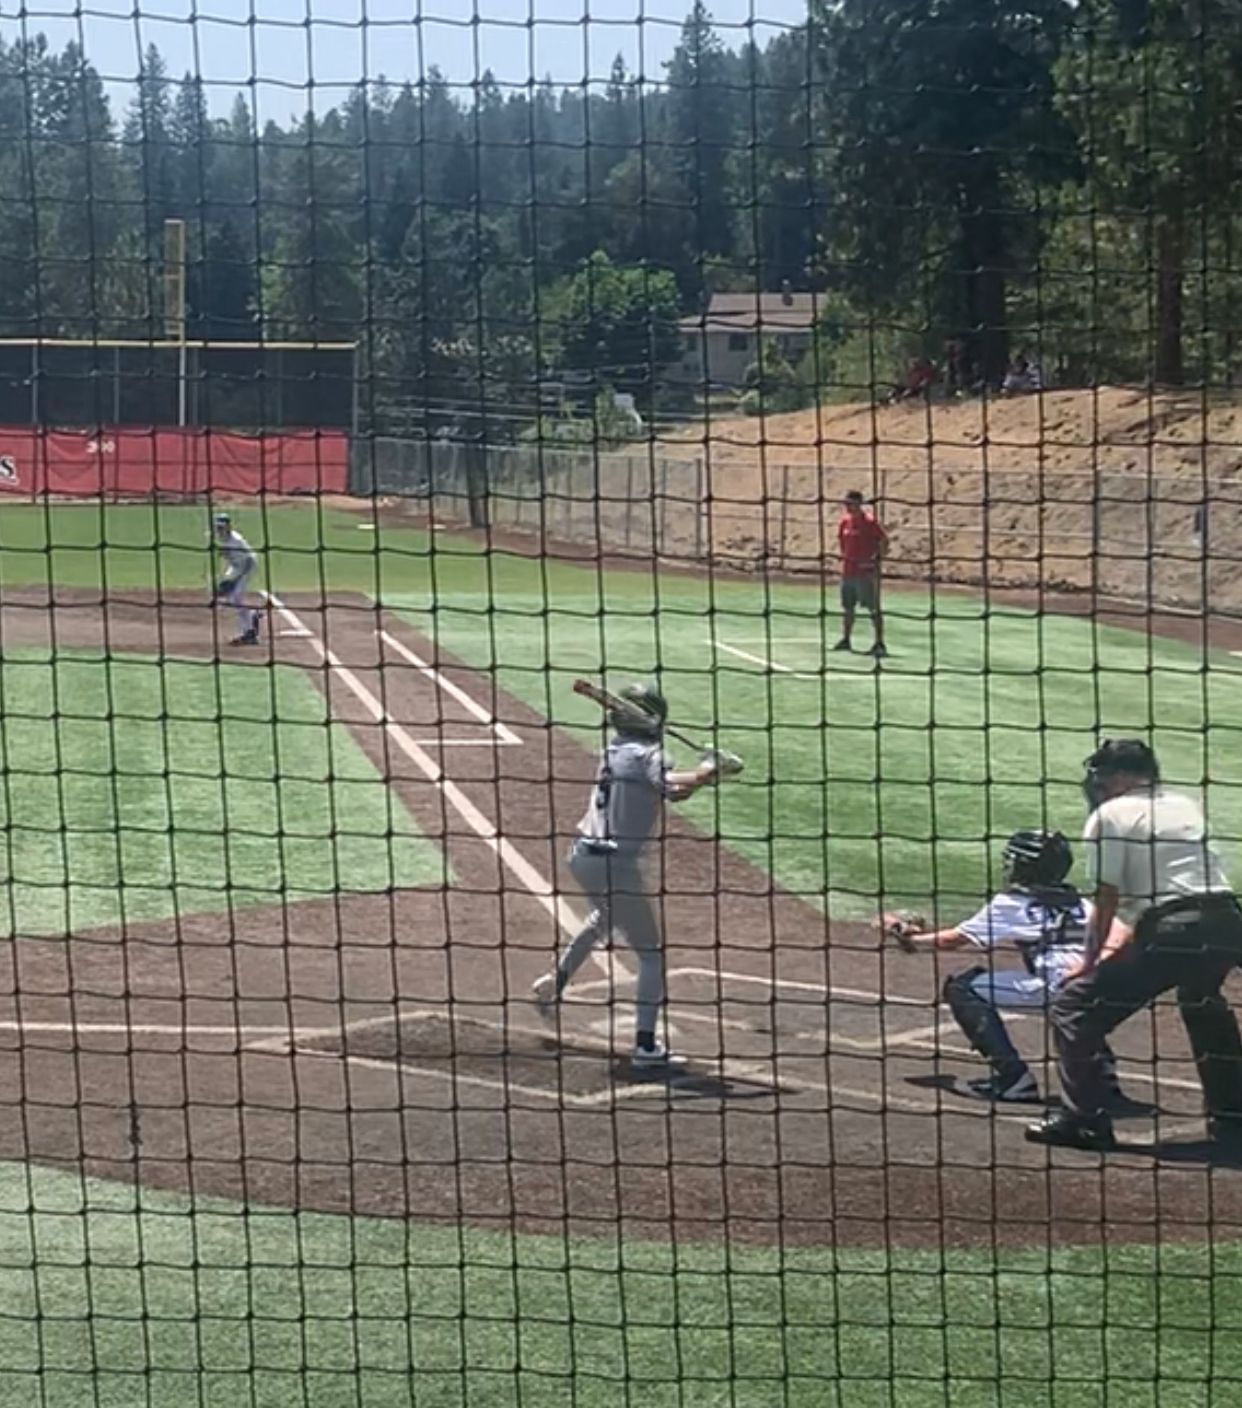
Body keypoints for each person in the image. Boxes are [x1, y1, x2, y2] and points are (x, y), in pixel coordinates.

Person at [1027, 739, 1242, 1152]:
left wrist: (1089, 963)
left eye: (1104, 777)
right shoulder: (1181, 804)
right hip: (1228, 921)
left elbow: (1108, 900)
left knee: (1074, 1007)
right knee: (1200, 998)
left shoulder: (1110, 815)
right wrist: (1113, 951)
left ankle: (1083, 1120)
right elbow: (1152, 904)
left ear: (1124, 776)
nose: (1099, 786)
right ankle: (1233, 1114)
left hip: (1177, 929)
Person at [531, 683, 723, 1067]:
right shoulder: (650, 754)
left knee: (603, 918)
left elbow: (671, 791)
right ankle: (646, 1047)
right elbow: (671, 786)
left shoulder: (615, 750)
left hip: (584, 856)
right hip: (617, 865)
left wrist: (705, 777)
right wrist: (708, 770)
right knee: (652, 956)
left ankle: (555, 983)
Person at [884, 829, 1129, 1106]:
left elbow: (952, 940)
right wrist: (1091, 965)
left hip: (1057, 990)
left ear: (1025, 866)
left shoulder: (1011, 904)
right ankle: (1102, 1076)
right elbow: (1123, 933)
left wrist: (908, 937)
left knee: (962, 988)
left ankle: (1013, 1079)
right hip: (1102, 990)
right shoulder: (1080, 903)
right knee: (1072, 1003)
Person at [834, 490, 888, 658]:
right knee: (847, 607)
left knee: (873, 608)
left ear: (859, 504)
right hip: (848, 572)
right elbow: (842, 543)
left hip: (865, 573)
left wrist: (876, 560)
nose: (847, 507)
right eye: (846, 504)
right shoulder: (844, 522)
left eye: (850, 504)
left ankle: (879, 642)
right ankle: (846, 639)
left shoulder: (869, 523)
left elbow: (884, 541)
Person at [212, 513, 262, 646]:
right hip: (236, 566)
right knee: (228, 593)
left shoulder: (236, 541)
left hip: (248, 566)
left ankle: (250, 634)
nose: (220, 530)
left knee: (237, 597)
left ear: (228, 526)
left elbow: (248, 561)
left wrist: (235, 580)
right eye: (218, 527)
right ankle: (252, 616)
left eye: (222, 527)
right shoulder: (221, 538)